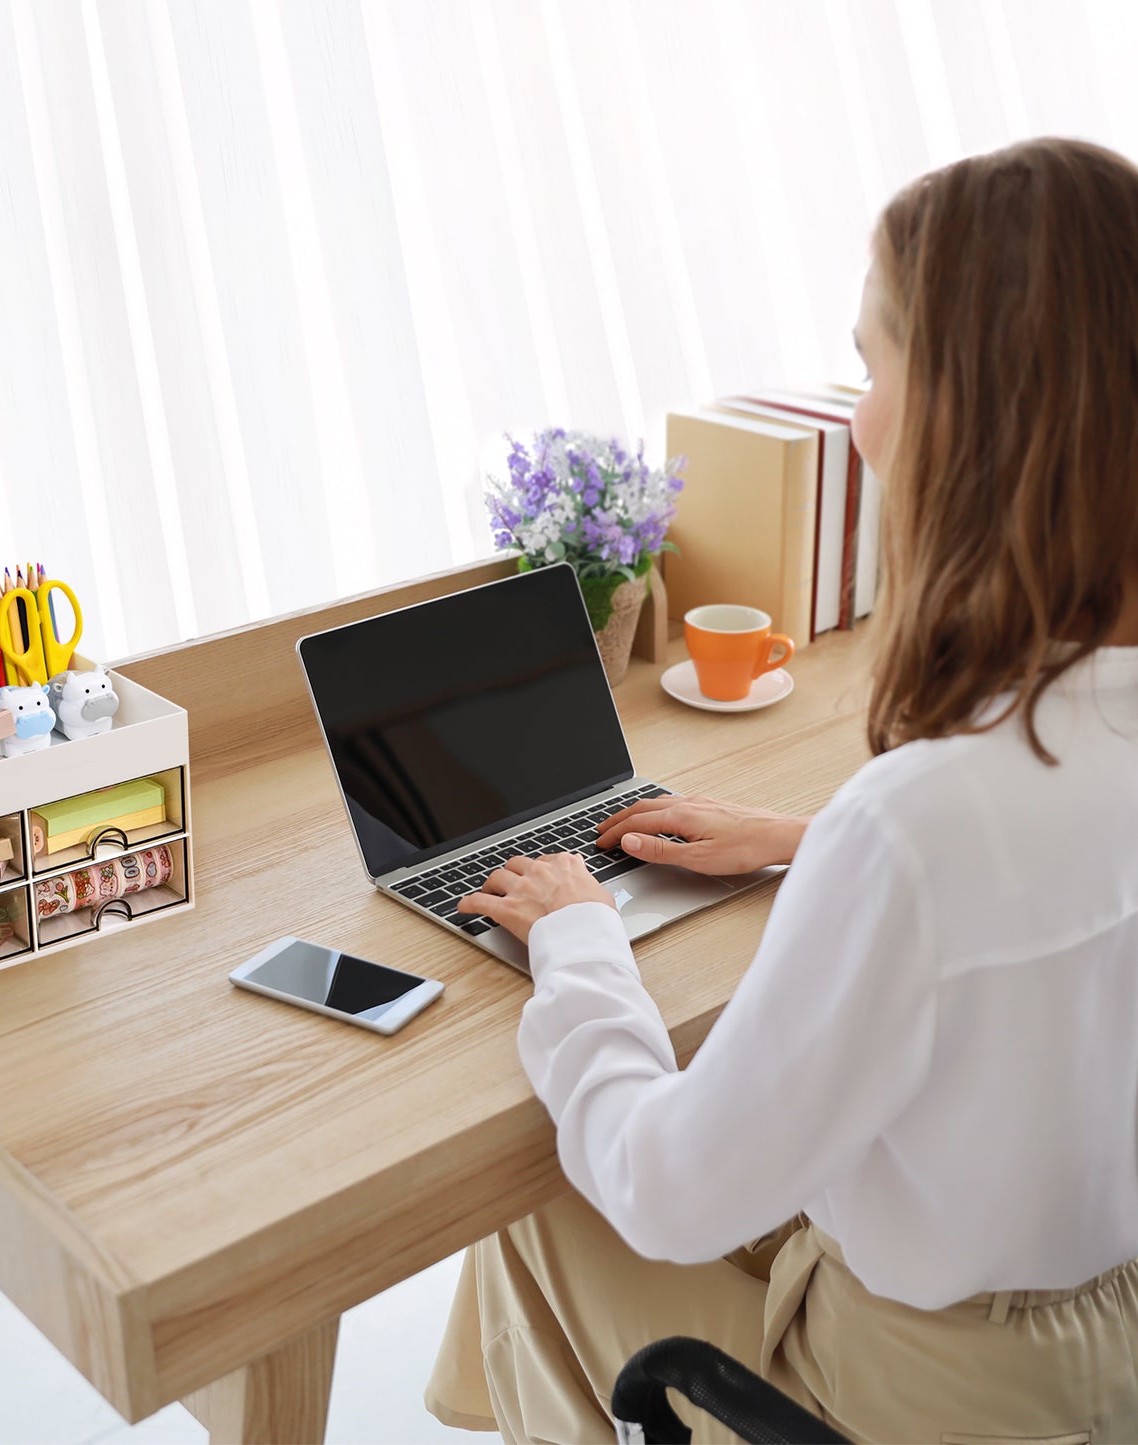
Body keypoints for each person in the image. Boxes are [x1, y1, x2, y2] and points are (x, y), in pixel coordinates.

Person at [424, 136, 1138, 1444]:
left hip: (916, 1400)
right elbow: (1063, 879)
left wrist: (580, 940)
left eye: (874, 366)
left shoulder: (921, 824)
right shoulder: (986, 796)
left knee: (538, 1186)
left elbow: (665, 1187)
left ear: (971, 417)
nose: (857, 417)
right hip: (1109, 1355)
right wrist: (806, 841)